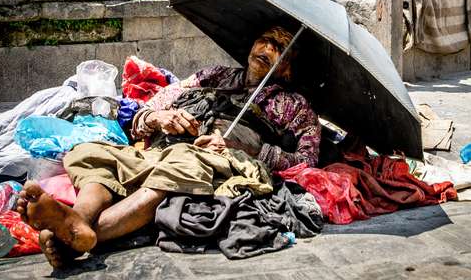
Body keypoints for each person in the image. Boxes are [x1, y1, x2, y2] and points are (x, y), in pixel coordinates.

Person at [16, 26, 321, 268]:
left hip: (220, 160)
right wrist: (158, 117)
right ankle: (77, 220)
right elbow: (148, 108)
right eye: (265, 40)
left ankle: (89, 235)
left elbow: (307, 158)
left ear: (288, 70)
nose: (268, 49)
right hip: (163, 147)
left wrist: (245, 147)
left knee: (181, 165)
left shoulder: (295, 106)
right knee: (92, 153)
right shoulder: (214, 75)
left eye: (280, 48)